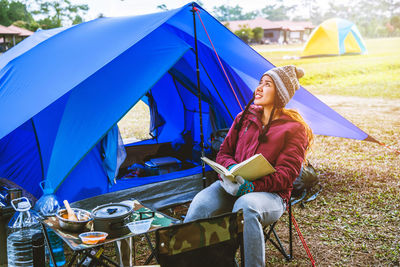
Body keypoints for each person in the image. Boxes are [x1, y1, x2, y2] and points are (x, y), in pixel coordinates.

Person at [184, 65, 313, 267]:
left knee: (246, 207)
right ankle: (187, 262)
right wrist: (233, 169)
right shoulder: (244, 117)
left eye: (267, 84)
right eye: (260, 82)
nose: (259, 88)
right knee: (201, 203)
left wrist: (252, 186)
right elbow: (223, 153)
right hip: (232, 186)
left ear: (280, 92)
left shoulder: (295, 129)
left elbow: (286, 175)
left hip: (270, 195)